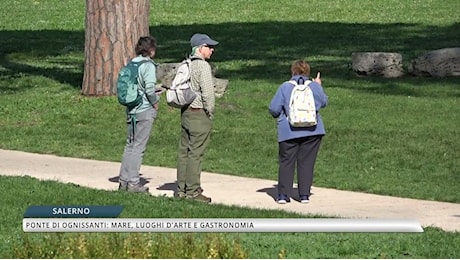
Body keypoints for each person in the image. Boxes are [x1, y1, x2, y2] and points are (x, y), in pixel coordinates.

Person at [269, 60, 328, 204]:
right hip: (313, 130)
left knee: (286, 162)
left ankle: (283, 195)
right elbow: (324, 102)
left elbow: (274, 108)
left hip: (289, 131)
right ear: (308, 72)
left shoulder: (285, 87)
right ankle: (304, 195)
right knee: (307, 163)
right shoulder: (314, 86)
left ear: (292, 71)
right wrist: (319, 86)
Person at [176, 33, 219, 203]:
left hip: (186, 112)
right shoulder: (203, 66)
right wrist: (210, 111)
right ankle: (193, 191)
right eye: (209, 47)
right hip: (199, 112)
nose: (212, 50)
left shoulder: (186, 63)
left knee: (184, 152)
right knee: (196, 153)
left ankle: (181, 189)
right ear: (200, 48)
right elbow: (208, 92)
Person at [118, 36, 160, 193]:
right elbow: (149, 89)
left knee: (130, 145)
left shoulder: (132, 63)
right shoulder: (148, 66)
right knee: (138, 147)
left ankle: (123, 181)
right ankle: (134, 183)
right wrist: (155, 103)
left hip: (131, 109)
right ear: (151, 50)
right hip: (144, 109)